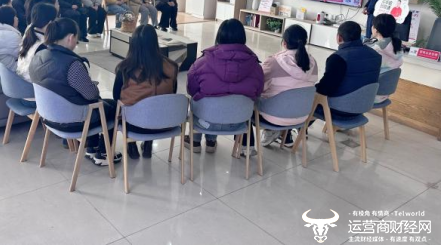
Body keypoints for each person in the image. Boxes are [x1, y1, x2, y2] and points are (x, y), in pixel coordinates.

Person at [29, 18, 122, 166]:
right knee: (112, 107)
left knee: (97, 104)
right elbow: (92, 95)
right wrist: (92, 85)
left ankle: (92, 147)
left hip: (49, 117)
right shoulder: (72, 64)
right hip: (72, 121)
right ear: (70, 37)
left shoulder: (38, 56)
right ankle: (104, 154)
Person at [186, 19, 264, 153]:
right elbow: (258, 93)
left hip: (205, 121)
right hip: (238, 122)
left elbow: (191, 90)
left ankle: (195, 142)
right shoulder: (256, 67)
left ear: (219, 36)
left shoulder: (201, 63)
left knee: (198, 99)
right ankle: (211, 142)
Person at [113, 25, 178, 159]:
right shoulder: (172, 66)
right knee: (156, 103)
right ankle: (148, 144)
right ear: (155, 42)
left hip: (134, 126)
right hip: (165, 123)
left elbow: (116, 96)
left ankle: (131, 145)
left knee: (120, 107)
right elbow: (173, 92)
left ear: (133, 44)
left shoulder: (124, 68)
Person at [259, 25, 319, 147]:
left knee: (250, 98)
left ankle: (255, 140)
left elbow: (258, 87)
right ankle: (286, 136)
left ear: (284, 43)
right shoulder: (313, 63)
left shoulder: (273, 62)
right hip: (302, 116)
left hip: (274, 116)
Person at [315, 21, 382, 116]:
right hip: (363, 106)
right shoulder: (376, 55)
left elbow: (325, 89)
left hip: (340, 109)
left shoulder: (338, 58)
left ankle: (300, 125)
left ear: (339, 38)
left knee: (308, 98)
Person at [17, 3, 58, 81]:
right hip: (31, 83)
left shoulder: (30, 32)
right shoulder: (43, 46)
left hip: (22, 77)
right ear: (50, 23)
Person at [368, 14, 403, 103]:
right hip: (384, 95)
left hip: (370, 96)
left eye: (373, 25)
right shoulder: (396, 47)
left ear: (376, 29)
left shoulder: (375, 51)